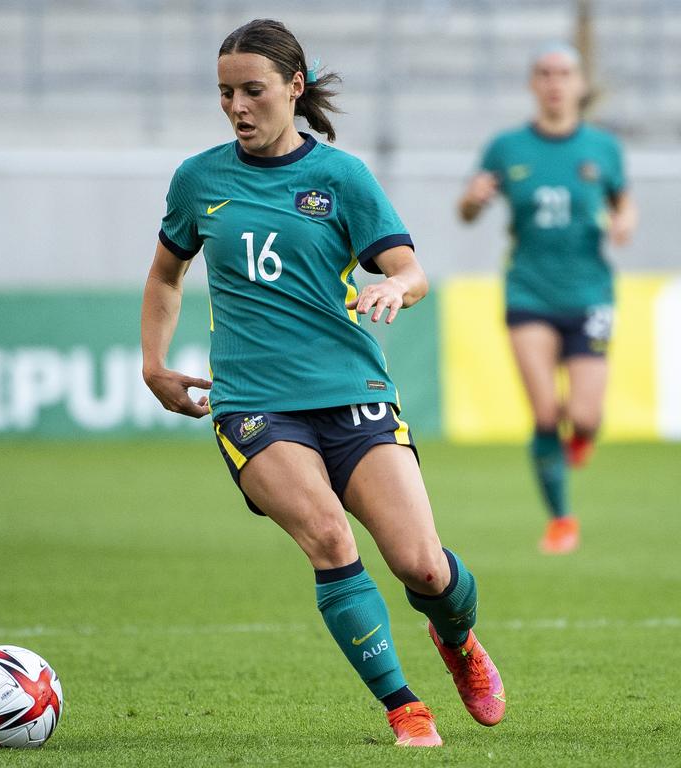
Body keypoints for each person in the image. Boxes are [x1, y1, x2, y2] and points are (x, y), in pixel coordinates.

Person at [141, 18, 505, 748]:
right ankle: (406, 709)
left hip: (352, 395)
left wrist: (394, 290)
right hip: (254, 407)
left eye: (252, 91)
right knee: (330, 539)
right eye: (224, 94)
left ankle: (458, 639)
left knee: (423, 568)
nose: (237, 108)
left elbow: (411, 270)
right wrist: (153, 365)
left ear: (294, 88)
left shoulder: (341, 177)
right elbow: (166, 274)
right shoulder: (199, 179)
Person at [458, 43, 638, 555]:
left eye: (564, 74)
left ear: (580, 85)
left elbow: (624, 201)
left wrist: (624, 220)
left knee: (583, 416)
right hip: (529, 292)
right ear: (533, 85)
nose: (555, 82)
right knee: (543, 413)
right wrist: (471, 201)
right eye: (544, 74)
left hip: (591, 295)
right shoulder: (506, 147)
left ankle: (580, 437)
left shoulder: (602, 148)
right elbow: (469, 209)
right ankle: (561, 519)